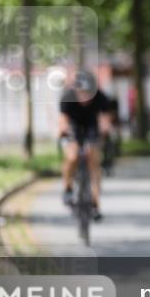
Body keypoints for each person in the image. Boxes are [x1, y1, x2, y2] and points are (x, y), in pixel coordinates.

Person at [58, 70, 115, 220]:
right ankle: (68, 188)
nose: (84, 97)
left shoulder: (100, 97)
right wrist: (64, 132)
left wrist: (105, 128)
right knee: (72, 156)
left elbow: (106, 118)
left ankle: (95, 204)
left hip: (91, 128)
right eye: (81, 92)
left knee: (93, 161)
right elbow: (63, 120)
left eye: (88, 93)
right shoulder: (67, 97)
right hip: (73, 127)